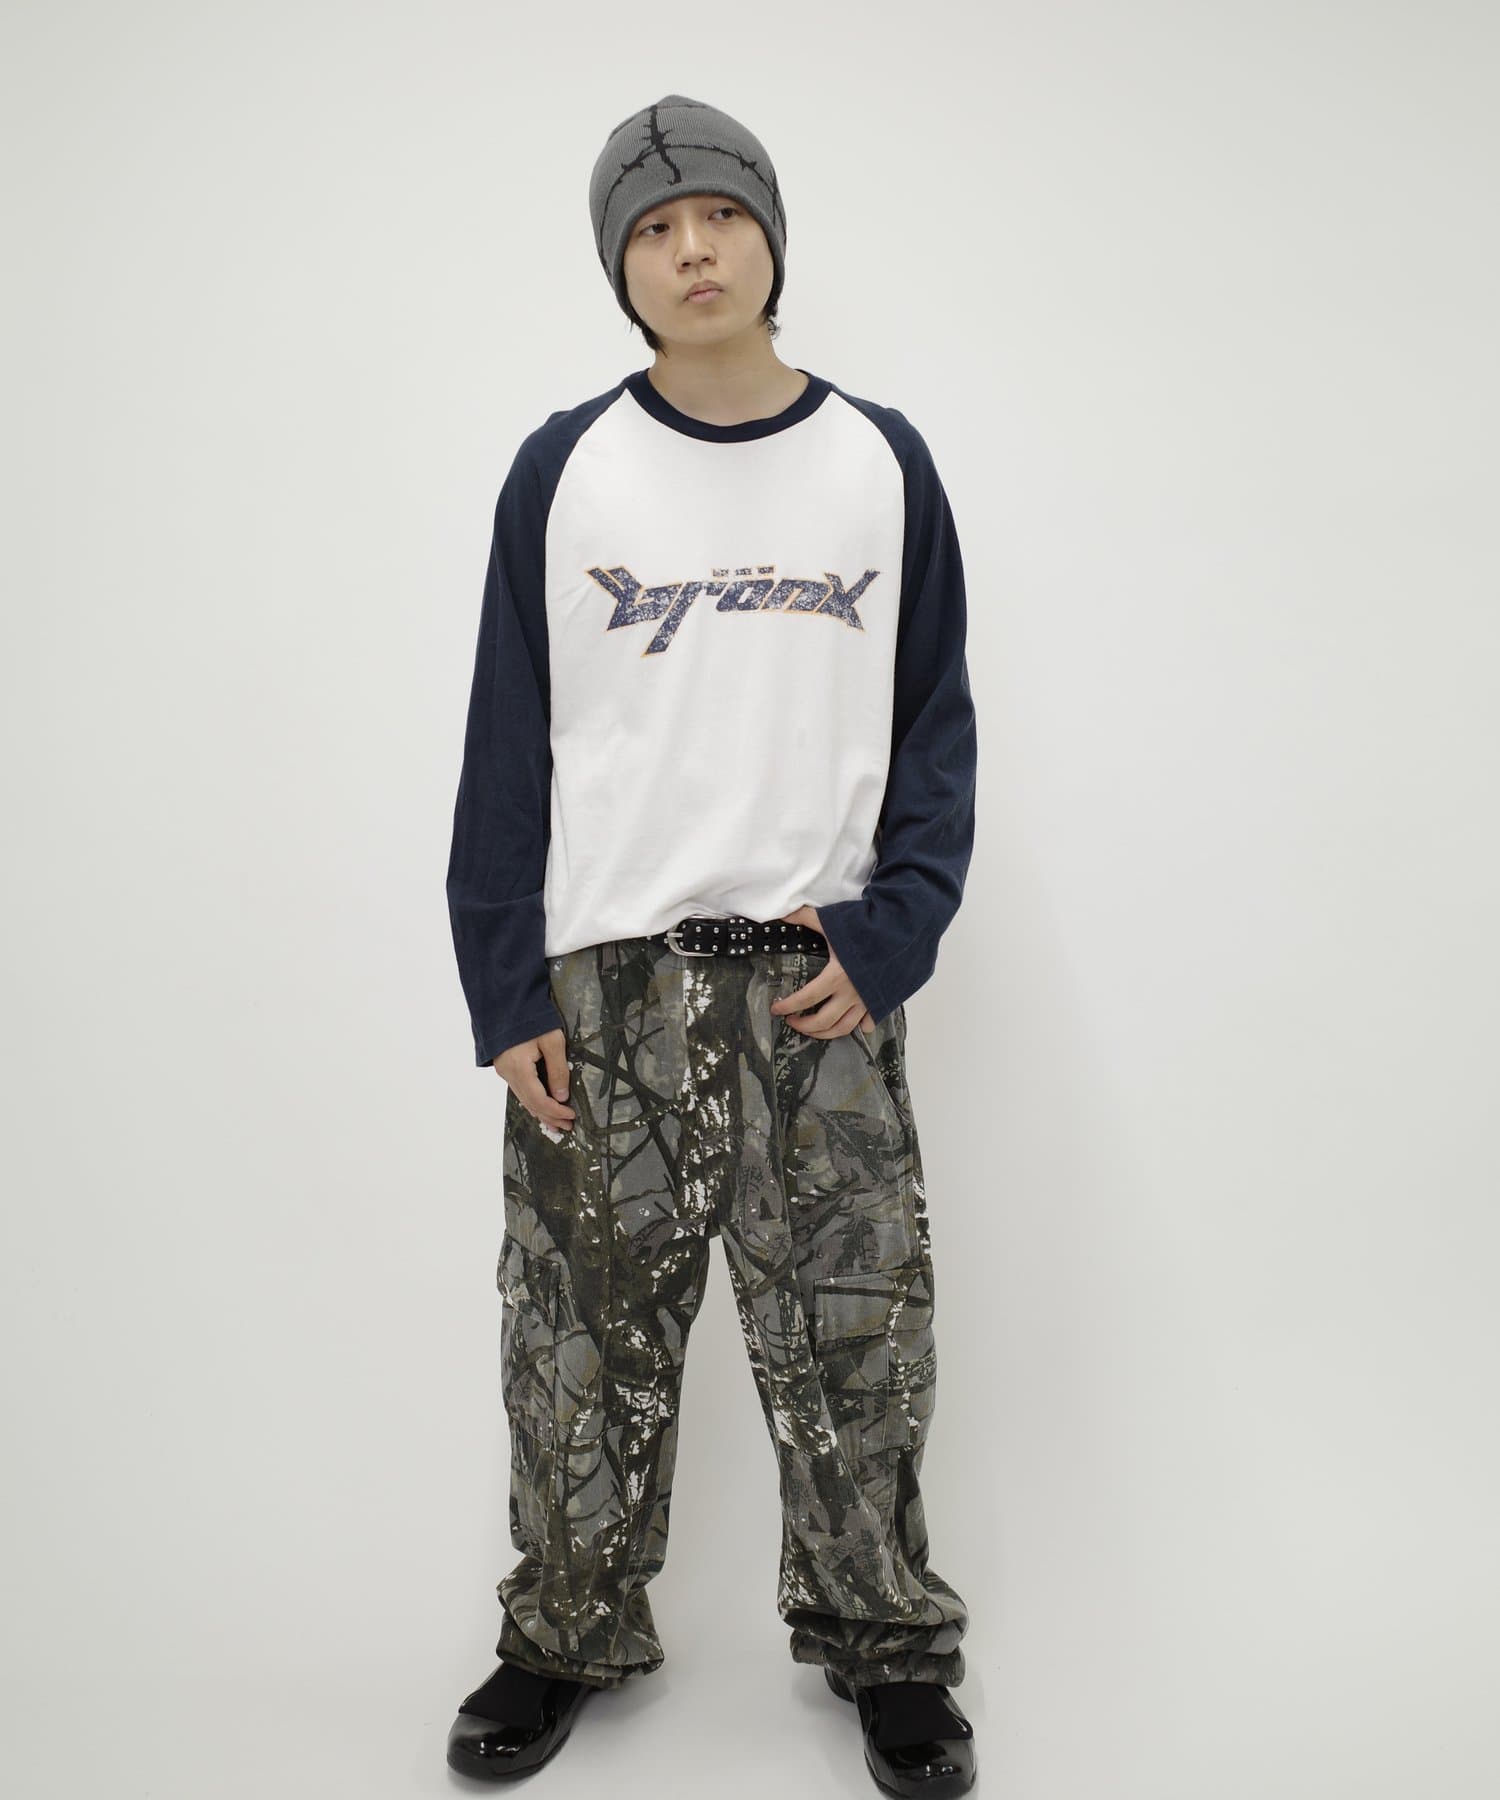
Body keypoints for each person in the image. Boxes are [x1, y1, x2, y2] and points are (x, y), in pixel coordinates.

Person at [442, 94, 979, 1796]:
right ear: (622, 268)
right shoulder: (566, 470)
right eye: (654, 228)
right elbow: (507, 747)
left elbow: (936, 730)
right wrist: (504, 986)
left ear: (769, 238)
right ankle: (564, 1632)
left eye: (721, 216)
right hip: (606, 989)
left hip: (816, 981)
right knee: (577, 1339)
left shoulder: (878, 463)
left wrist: (895, 932)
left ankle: (888, 1645)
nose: (693, 250)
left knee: (854, 1337)